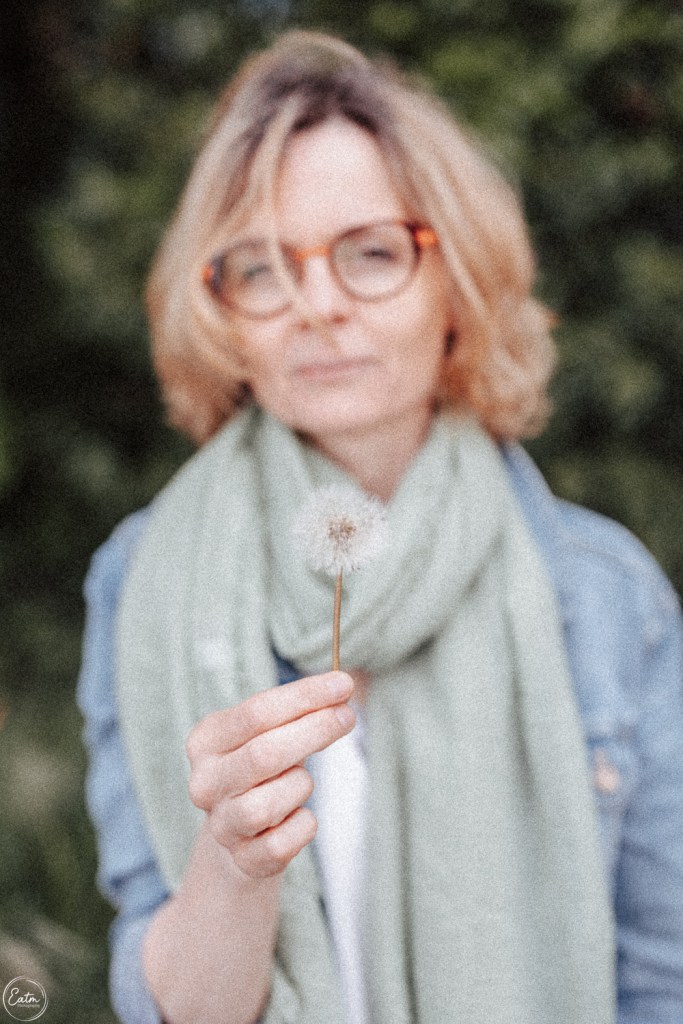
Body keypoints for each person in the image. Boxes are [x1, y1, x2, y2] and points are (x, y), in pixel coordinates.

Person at [77, 29, 683, 1024]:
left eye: (370, 253)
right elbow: (171, 1010)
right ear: (221, 311)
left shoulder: (606, 596)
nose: (316, 305)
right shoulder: (143, 580)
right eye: (260, 269)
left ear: (458, 283)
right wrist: (233, 864)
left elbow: (661, 985)